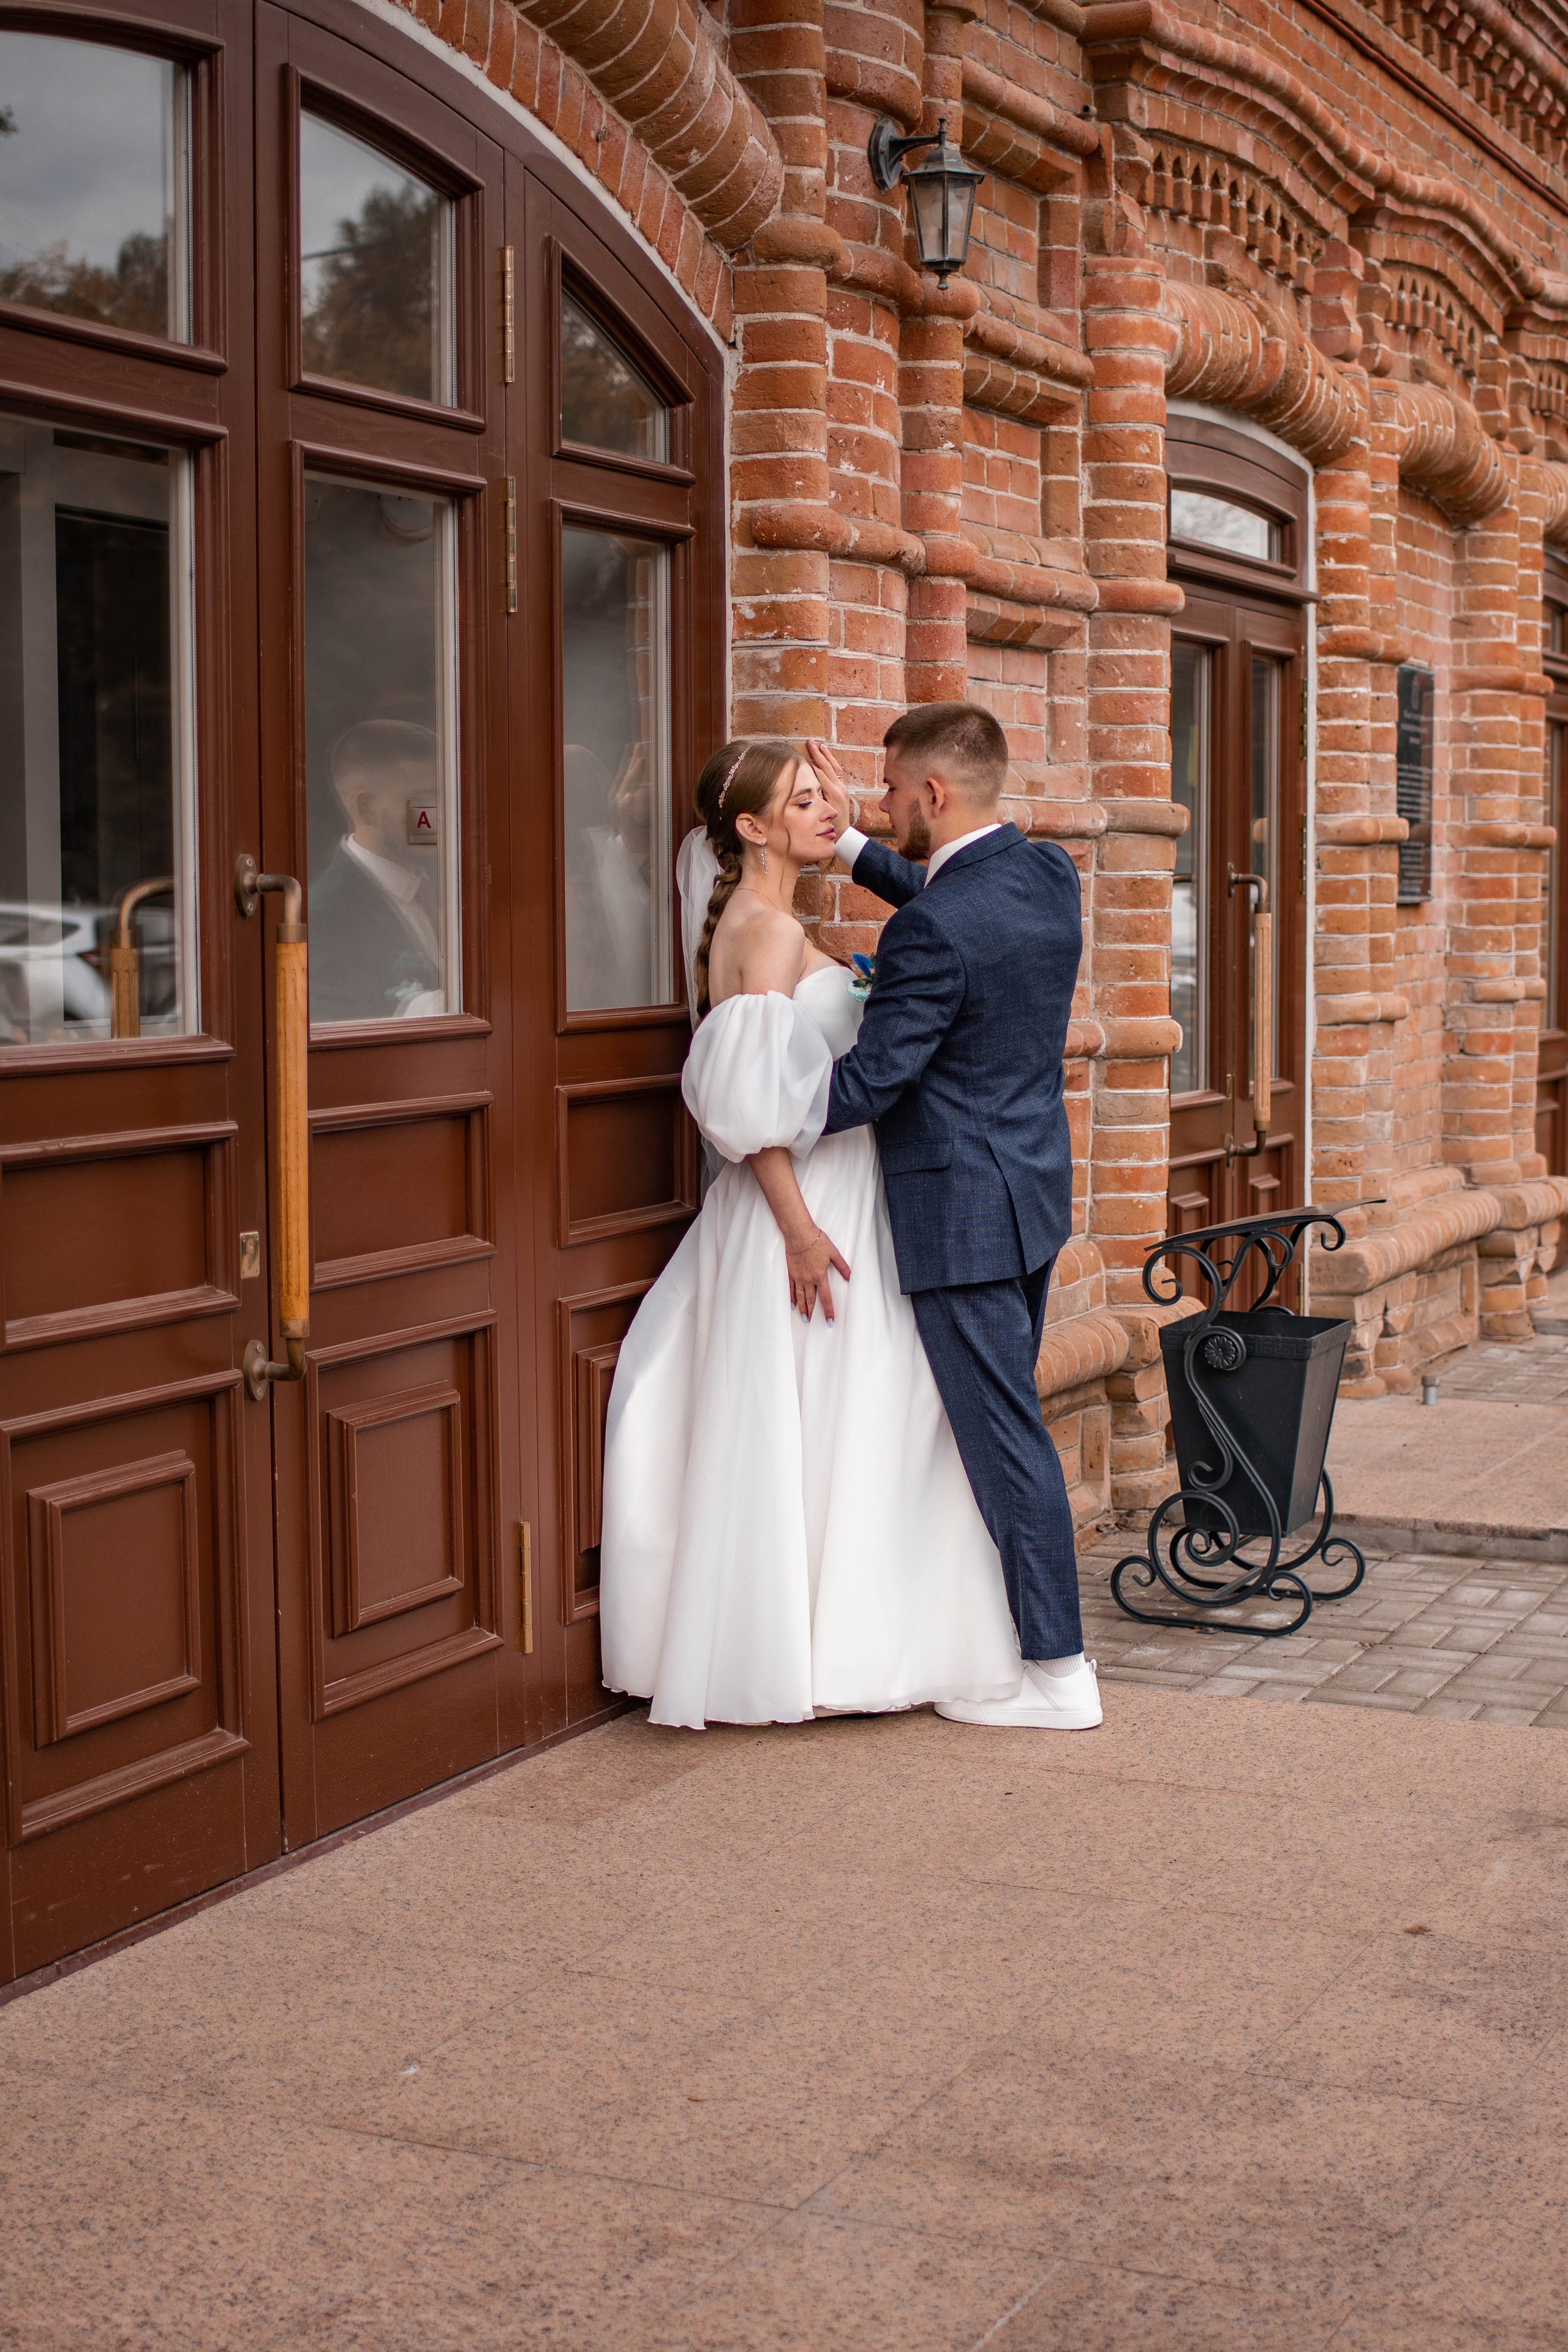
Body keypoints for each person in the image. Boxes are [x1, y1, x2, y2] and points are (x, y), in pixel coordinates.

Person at [597, 737, 1023, 1730]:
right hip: (802, 1217)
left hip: (843, 1200)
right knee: (814, 1420)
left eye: (830, 796)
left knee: (856, 1420)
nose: (830, 813)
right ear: (750, 829)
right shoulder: (762, 932)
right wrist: (794, 1230)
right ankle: (800, 1652)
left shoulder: (781, 921)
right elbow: (748, 1111)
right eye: (804, 801)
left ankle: (846, 1639)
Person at [802, 704, 1099, 1730]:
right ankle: (1041, 1653)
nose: (880, 810)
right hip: (1027, 1194)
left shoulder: (932, 926)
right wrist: (846, 843)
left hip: (962, 1212)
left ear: (933, 795)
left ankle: (1059, 1673)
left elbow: (873, 1083)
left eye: (886, 793)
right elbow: (946, 901)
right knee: (1012, 1420)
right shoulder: (1047, 875)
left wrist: (754, 1103)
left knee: (1004, 1437)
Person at [309, 720, 446, 1023]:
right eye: (425, 800)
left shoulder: (456, 884)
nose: (444, 816)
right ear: (367, 807)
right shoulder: (323, 918)